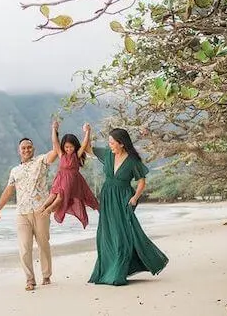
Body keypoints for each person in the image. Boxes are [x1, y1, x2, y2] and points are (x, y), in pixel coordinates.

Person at [87, 128, 168, 286]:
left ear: (121, 143)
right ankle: (106, 271)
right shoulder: (107, 154)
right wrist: (87, 132)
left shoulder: (132, 160)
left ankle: (118, 273)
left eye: (112, 142)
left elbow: (141, 181)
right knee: (107, 234)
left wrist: (135, 198)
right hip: (108, 197)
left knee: (123, 235)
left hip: (124, 198)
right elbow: (88, 149)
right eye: (109, 142)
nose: (109, 145)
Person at [0, 134, 58, 291]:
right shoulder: (15, 171)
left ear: (33, 149)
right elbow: (9, 191)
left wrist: (54, 131)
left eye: (29, 147)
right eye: (23, 148)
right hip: (22, 212)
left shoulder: (41, 161)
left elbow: (56, 151)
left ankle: (46, 275)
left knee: (43, 244)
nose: (26, 150)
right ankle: (30, 279)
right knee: (24, 247)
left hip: (41, 210)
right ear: (19, 151)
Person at [37, 120, 99, 227]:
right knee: (53, 195)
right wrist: (54, 129)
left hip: (72, 180)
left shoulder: (77, 155)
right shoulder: (61, 154)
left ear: (75, 146)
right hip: (60, 178)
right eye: (66, 147)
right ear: (63, 147)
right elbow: (55, 142)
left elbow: (84, 144)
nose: (69, 149)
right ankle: (43, 207)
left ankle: (50, 210)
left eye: (71, 147)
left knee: (60, 197)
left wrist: (88, 131)